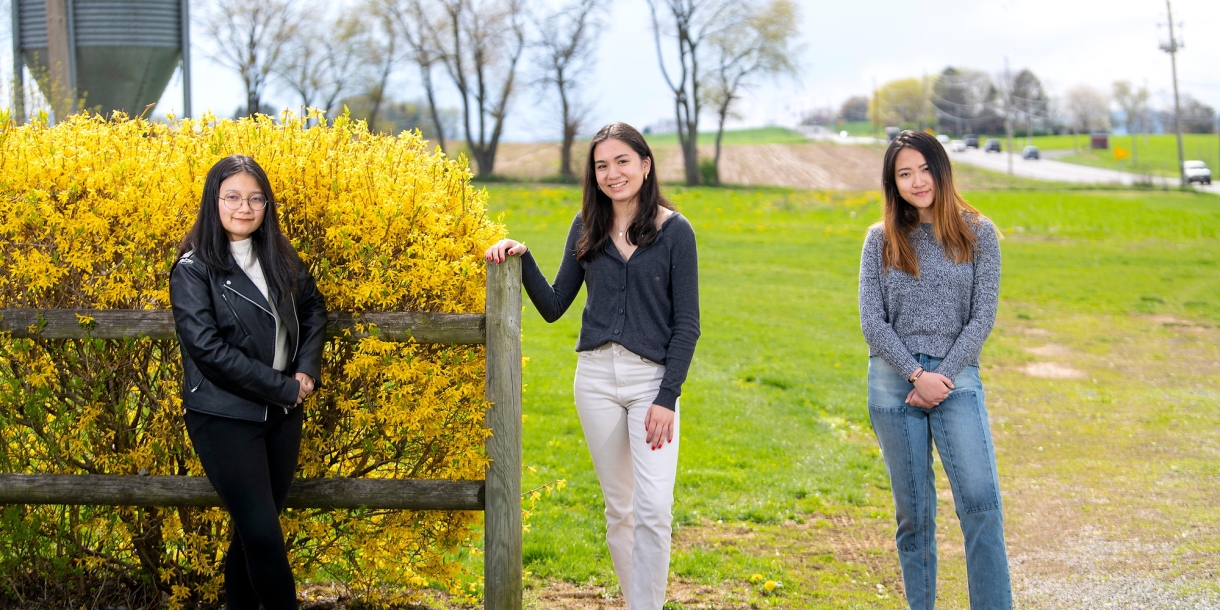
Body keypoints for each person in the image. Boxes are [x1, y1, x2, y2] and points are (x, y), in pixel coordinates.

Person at [484, 122, 700, 610]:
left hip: (652, 384)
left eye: (622, 161)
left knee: (654, 508)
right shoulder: (586, 226)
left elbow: (687, 325)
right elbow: (556, 304)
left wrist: (668, 397)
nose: (612, 173)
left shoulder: (675, 232)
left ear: (645, 165)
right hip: (596, 381)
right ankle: (637, 603)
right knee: (619, 509)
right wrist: (522, 256)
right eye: (602, 165)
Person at [858, 130, 1011, 609]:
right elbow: (872, 321)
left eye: (924, 169)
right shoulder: (880, 239)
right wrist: (914, 375)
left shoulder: (977, 231)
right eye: (904, 173)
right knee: (915, 516)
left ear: (941, 170)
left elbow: (982, 317)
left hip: (957, 376)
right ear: (893, 183)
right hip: (892, 381)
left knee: (982, 503)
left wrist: (941, 376)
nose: (916, 181)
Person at [170, 154, 327, 610]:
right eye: (233, 197)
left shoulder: (278, 254)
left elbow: (314, 307)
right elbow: (208, 351)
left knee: (253, 531)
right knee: (262, 533)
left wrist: (305, 371)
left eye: (256, 198)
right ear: (213, 201)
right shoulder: (193, 268)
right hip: (224, 416)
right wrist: (282, 388)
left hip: (282, 412)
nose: (245, 208)